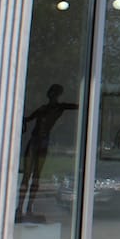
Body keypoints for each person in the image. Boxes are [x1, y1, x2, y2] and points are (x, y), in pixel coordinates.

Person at [17, 83, 79, 222]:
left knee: (35, 176)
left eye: (53, 93)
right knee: (28, 176)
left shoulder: (58, 107)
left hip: (42, 141)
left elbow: (76, 106)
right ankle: (21, 208)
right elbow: (27, 119)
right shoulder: (43, 109)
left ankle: (27, 209)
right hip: (35, 141)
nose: (51, 95)